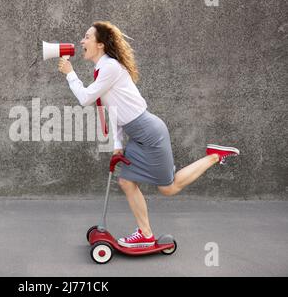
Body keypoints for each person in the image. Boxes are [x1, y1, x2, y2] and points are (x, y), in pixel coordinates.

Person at [58, 21, 240, 248]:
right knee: (126, 181)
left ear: (101, 45)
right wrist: (116, 144)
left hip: (150, 133)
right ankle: (145, 234)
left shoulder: (110, 68)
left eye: (86, 37)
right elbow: (113, 112)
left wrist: (70, 74)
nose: (81, 41)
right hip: (138, 134)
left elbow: (85, 98)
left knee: (168, 187)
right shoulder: (103, 69)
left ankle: (213, 156)